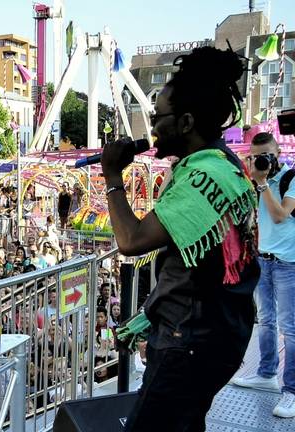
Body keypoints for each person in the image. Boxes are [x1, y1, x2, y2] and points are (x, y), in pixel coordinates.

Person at [100, 46, 259, 431]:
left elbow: (131, 240)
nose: (153, 127)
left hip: (191, 340)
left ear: (186, 122)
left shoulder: (200, 179)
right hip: (220, 334)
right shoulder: (225, 165)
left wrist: (112, 176)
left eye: (159, 118)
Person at [230, 132, 295, 418]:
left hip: (289, 263)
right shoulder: (256, 180)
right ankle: (266, 372)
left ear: (278, 151)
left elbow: (280, 214)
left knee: (290, 329)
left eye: (268, 154)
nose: (265, 160)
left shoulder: (290, 179)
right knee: (266, 320)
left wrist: (263, 182)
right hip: (264, 260)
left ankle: (292, 391)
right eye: (258, 156)